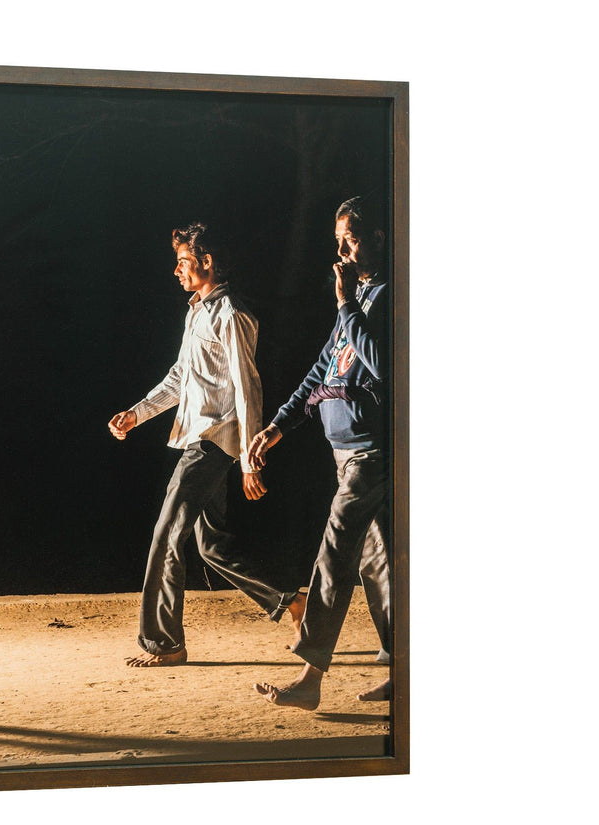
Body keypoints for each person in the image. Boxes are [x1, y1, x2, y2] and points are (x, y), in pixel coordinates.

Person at [108, 222, 306, 668]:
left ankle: (164, 643)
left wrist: (250, 460)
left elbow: (246, 387)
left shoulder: (232, 314)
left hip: (213, 442)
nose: (177, 271)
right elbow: (181, 377)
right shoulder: (196, 311)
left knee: (166, 535)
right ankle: (292, 602)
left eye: (183, 262)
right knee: (211, 547)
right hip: (194, 438)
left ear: (207, 262)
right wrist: (137, 413)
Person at [250, 196, 392, 710]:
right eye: (338, 241)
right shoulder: (359, 296)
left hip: (371, 452)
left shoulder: (392, 294)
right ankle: (407, 671)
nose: (341, 251)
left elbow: (383, 366)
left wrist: (346, 304)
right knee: (380, 563)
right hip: (343, 451)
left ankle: (310, 677)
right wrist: (278, 425)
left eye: (349, 239)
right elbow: (323, 370)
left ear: (377, 236)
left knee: (335, 554)